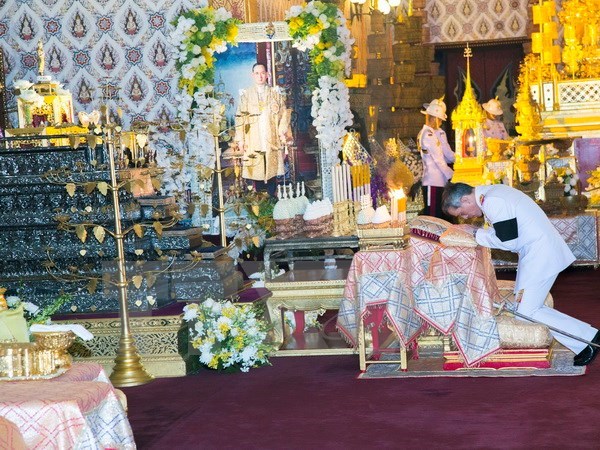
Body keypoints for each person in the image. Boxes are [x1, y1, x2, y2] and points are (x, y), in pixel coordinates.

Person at [442, 182, 600, 366]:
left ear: (465, 199)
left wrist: (476, 234)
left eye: (462, 212)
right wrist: (480, 233)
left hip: (540, 254)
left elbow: (509, 241)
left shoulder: (493, 201)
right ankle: (587, 340)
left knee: (527, 311)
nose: (465, 217)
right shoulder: (490, 195)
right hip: (535, 254)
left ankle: (589, 339)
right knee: (527, 309)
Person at [234, 63, 291, 193]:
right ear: (252, 75)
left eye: (262, 73)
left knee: (271, 170)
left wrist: (282, 133)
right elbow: (240, 118)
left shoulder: (275, 93)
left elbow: (283, 114)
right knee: (257, 170)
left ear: (267, 75)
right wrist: (241, 140)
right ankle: (259, 201)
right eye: (257, 73)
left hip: (271, 138)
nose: (260, 76)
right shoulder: (246, 95)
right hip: (253, 138)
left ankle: (272, 199)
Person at [417, 98, 455, 220]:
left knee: (443, 216)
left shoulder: (437, 132)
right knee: (433, 217)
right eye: (439, 120)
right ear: (434, 118)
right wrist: (451, 174)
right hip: (432, 181)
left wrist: (460, 160)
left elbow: (447, 154)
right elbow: (439, 159)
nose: (440, 123)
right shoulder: (428, 134)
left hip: (441, 181)